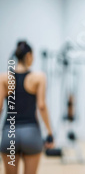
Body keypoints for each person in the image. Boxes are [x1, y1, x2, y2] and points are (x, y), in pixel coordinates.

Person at [0, 41, 54, 174]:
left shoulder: (4, 78)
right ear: (29, 55)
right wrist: (50, 133)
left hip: (9, 133)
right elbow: (41, 106)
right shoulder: (38, 77)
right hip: (31, 133)